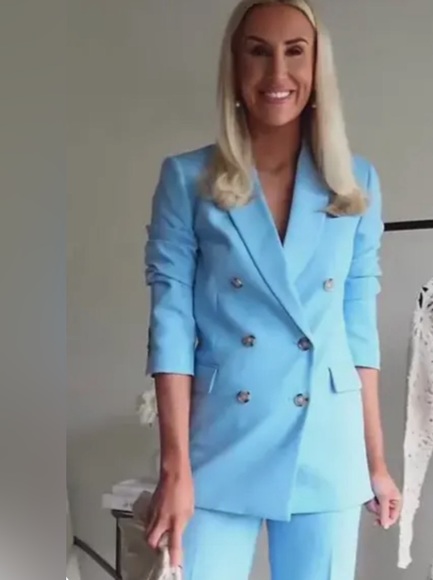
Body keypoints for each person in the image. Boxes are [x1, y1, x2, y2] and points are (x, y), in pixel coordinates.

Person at [143, 1, 401, 578]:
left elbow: (358, 332)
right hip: (220, 440)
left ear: (317, 67)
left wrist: (375, 462)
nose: (277, 73)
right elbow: (171, 328)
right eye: (258, 52)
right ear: (235, 66)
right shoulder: (188, 179)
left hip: (328, 440)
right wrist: (174, 468)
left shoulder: (355, 183)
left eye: (295, 52)